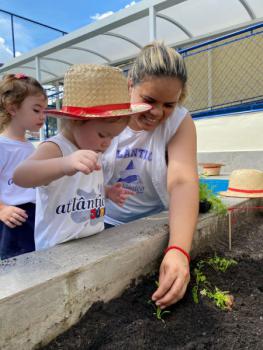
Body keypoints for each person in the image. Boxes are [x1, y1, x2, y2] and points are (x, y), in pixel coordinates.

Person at [102, 42, 199, 309]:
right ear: (130, 84)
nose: (157, 112)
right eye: (149, 100)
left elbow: (182, 180)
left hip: (154, 223)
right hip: (105, 224)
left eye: (169, 104)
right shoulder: (106, 115)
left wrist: (178, 250)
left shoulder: (179, 122)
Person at [13, 64, 150, 251]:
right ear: (76, 121)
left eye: (113, 137)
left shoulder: (93, 147)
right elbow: (21, 175)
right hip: (57, 250)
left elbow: (85, 187)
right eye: (103, 135)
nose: (107, 143)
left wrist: (107, 191)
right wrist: (65, 163)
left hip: (92, 242)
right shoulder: (57, 148)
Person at [0, 73, 47, 259]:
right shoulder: (2, 145)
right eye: (37, 110)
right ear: (13, 108)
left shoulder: (29, 146)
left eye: (44, 110)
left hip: (34, 216)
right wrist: (2, 209)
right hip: (13, 220)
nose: (43, 117)